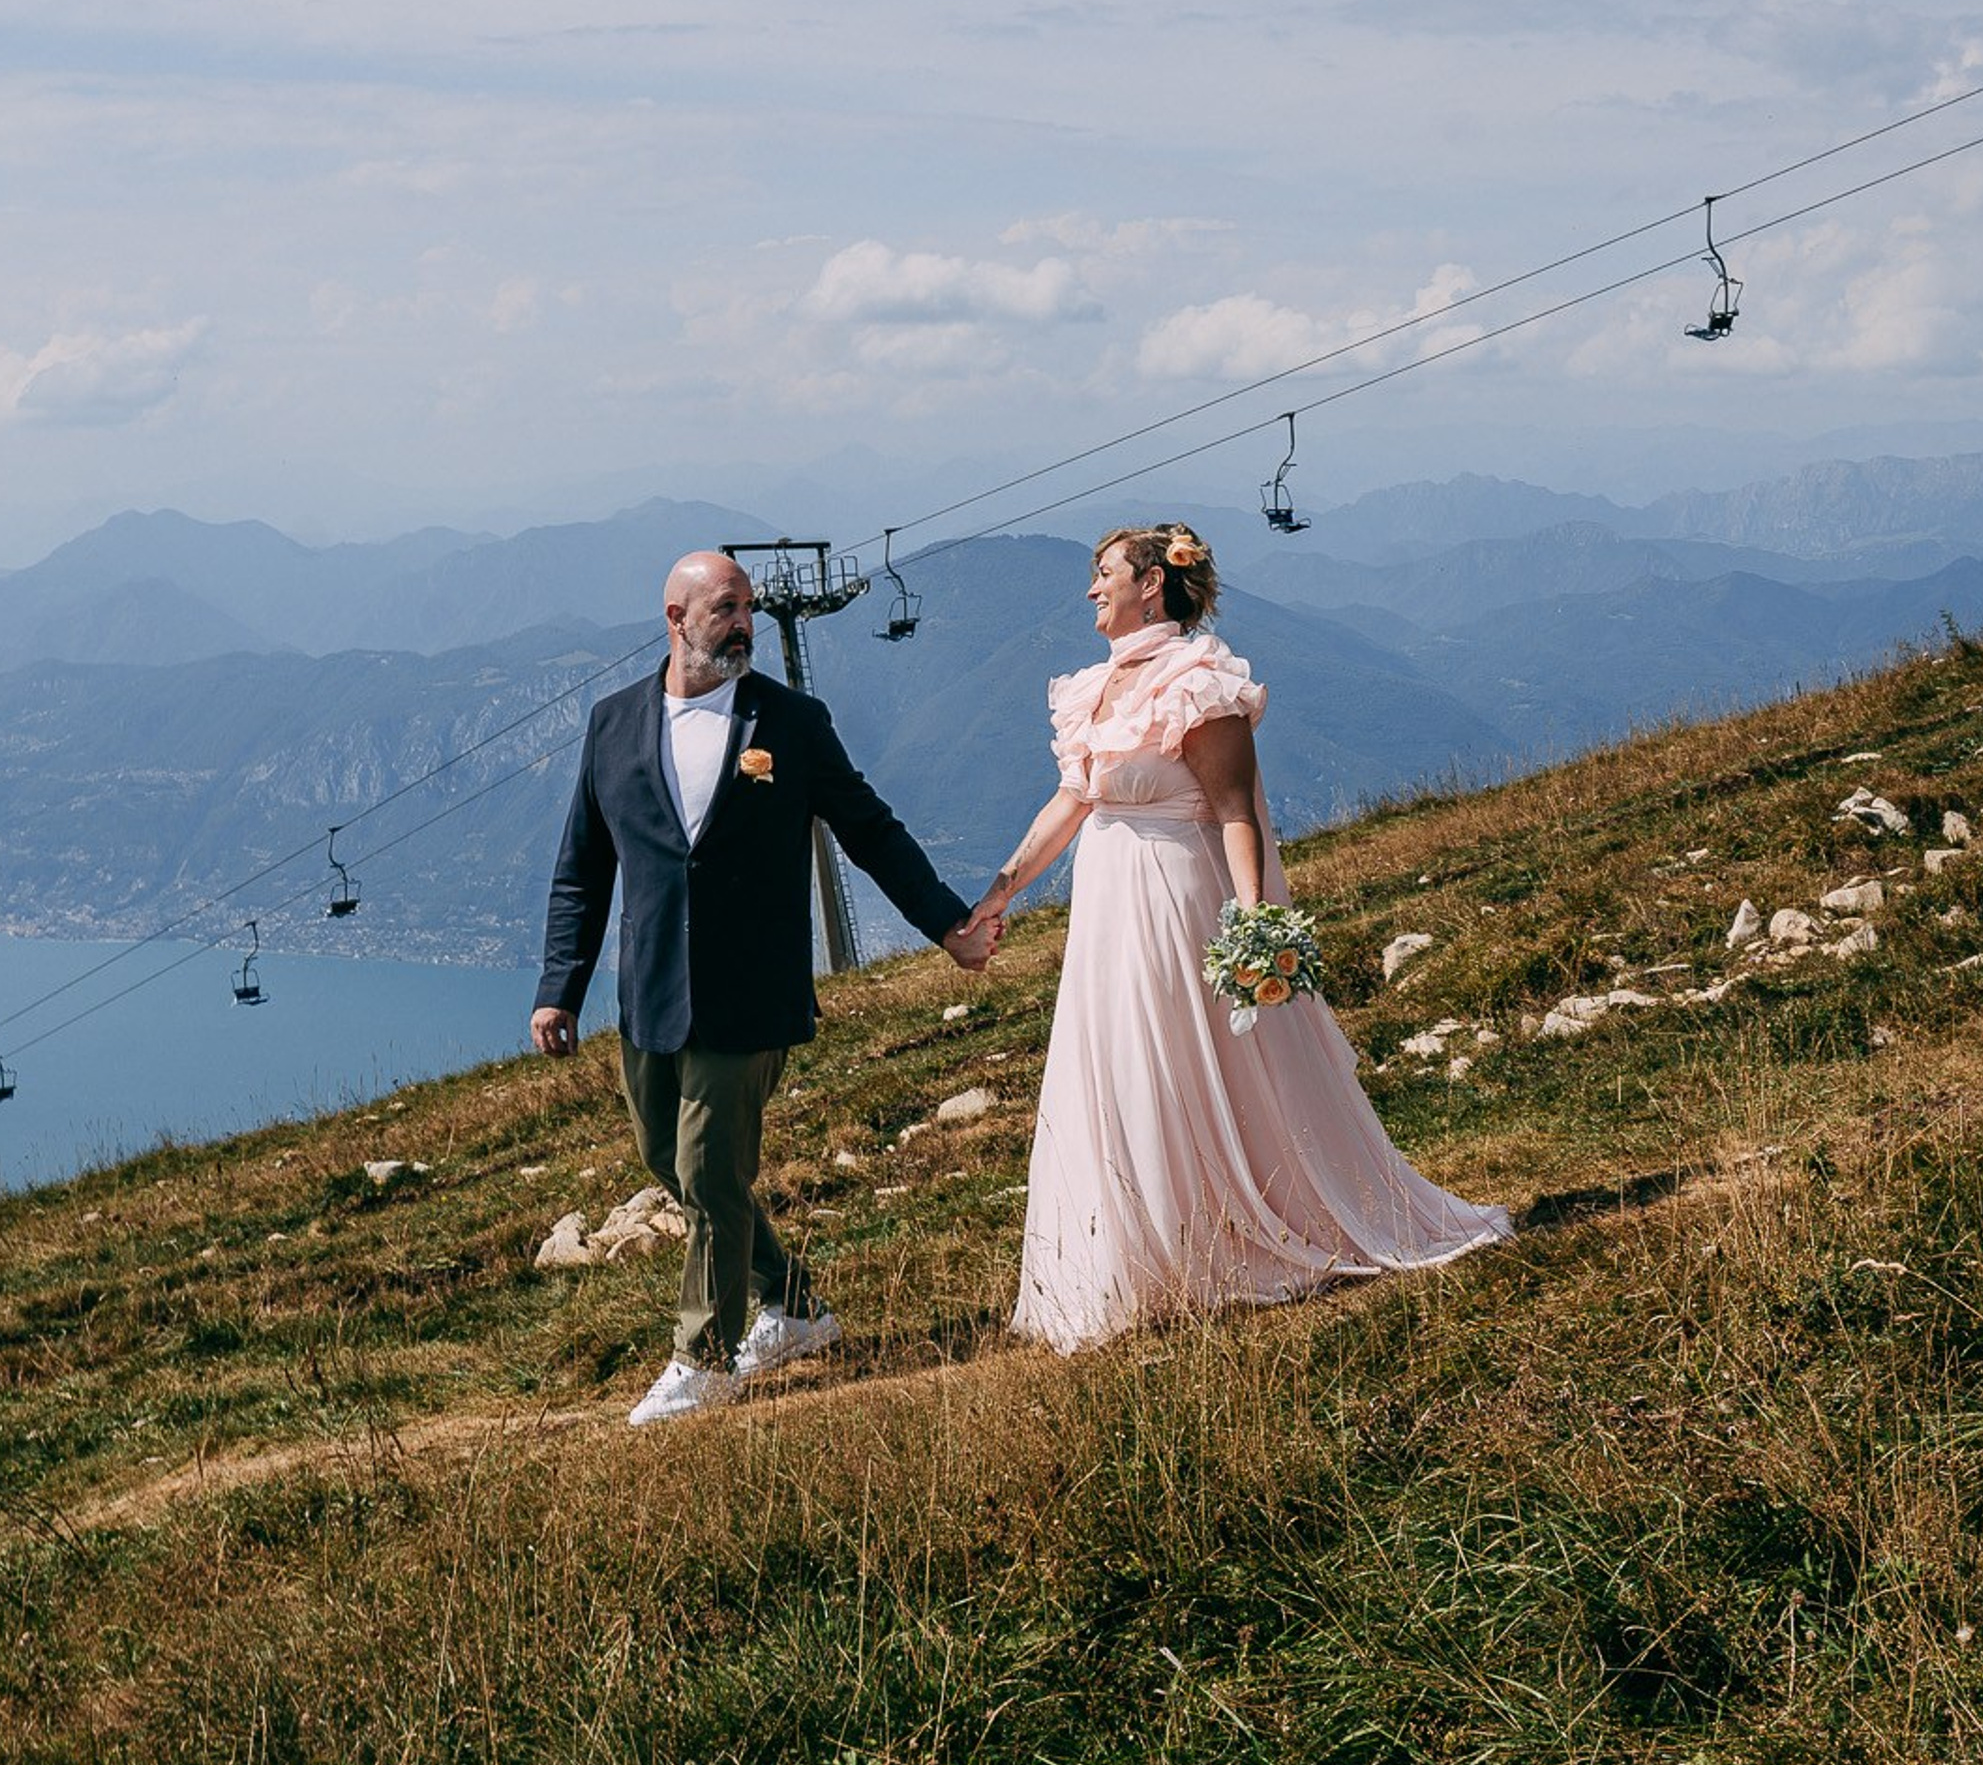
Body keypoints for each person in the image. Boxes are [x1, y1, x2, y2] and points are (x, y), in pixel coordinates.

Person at [971, 522, 1510, 1352]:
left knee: (1181, 1061)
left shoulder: (1197, 680)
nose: (1091, 589)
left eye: (1104, 573)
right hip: (1106, 910)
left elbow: (1233, 809)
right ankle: (1141, 1259)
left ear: (1151, 583)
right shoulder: (1094, 689)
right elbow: (1070, 804)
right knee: (1115, 1064)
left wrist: (1254, 918)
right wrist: (1002, 890)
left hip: (1175, 899)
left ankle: (1234, 1234)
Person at [534, 551, 996, 1424]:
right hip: (652, 995)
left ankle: (705, 1359)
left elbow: (872, 831)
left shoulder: (792, 721)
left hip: (752, 994)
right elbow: (582, 871)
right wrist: (560, 988)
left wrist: (949, 926)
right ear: (675, 619)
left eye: (747, 607)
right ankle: (795, 1307)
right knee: (668, 1164)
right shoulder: (611, 724)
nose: (744, 622)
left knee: (710, 1170)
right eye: (725, 609)